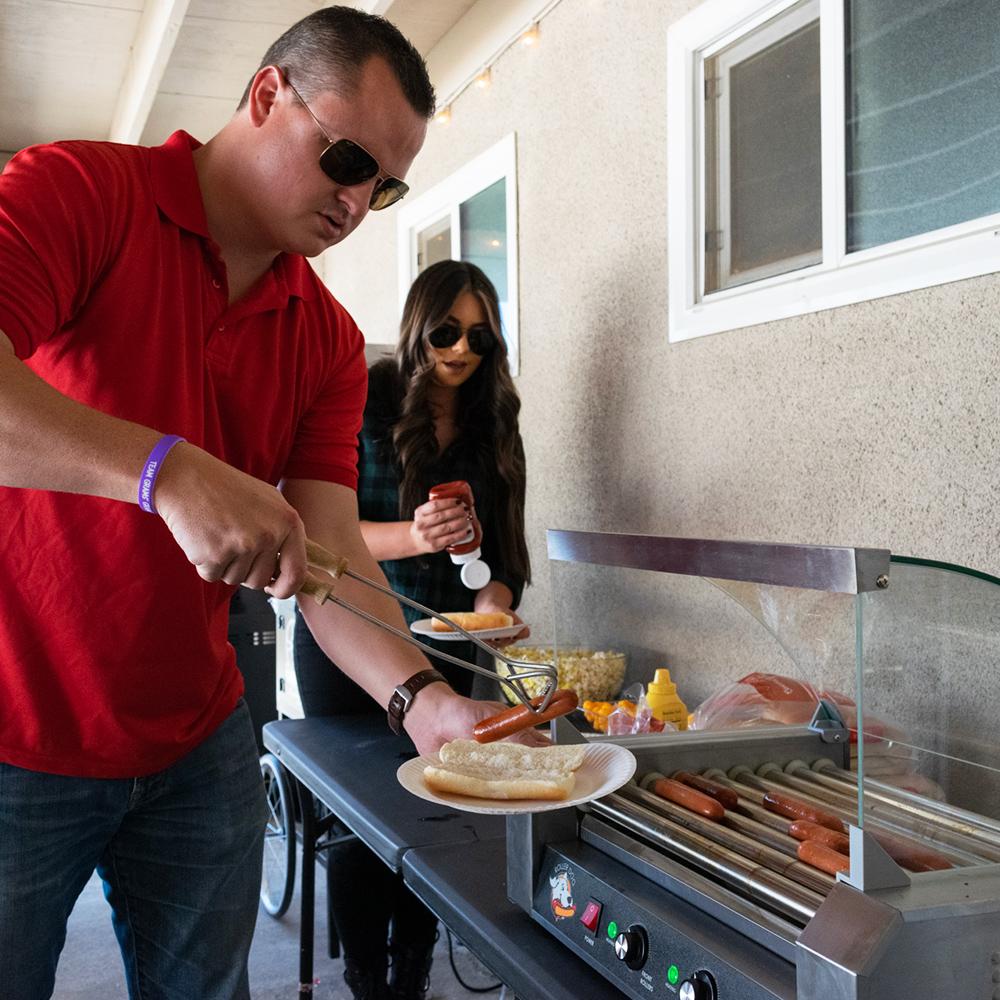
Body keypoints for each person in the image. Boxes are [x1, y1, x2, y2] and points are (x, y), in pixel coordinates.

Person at [0, 9, 537, 999]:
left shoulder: (325, 338)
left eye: (384, 186)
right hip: (16, 732)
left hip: (196, 743)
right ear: (265, 95)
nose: (357, 202)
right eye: (347, 160)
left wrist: (421, 702)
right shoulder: (80, 191)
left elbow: (332, 553)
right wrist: (165, 472)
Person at [293, 259, 531, 1000]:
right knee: (360, 820)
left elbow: (505, 552)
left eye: (479, 337)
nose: (461, 350)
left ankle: (412, 975)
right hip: (351, 628)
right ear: (418, 325)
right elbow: (323, 533)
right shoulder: (367, 396)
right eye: (447, 331)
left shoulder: (495, 420)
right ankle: (368, 980)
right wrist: (415, 536)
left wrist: (493, 606)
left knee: (436, 812)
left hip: (447, 642)